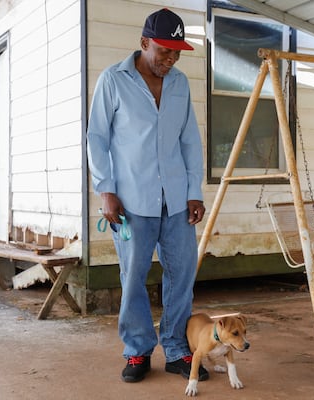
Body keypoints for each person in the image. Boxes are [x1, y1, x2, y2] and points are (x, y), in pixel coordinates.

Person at [86, 8, 208, 384]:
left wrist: (193, 191)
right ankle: (138, 351)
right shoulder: (113, 80)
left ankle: (176, 349)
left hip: (176, 200)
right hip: (131, 202)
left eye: (176, 54)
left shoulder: (180, 84)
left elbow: (189, 139)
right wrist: (105, 190)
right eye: (163, 51)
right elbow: (97, 138)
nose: (170, 60)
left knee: (182, 275)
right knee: (133, 277)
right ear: (144, 43)